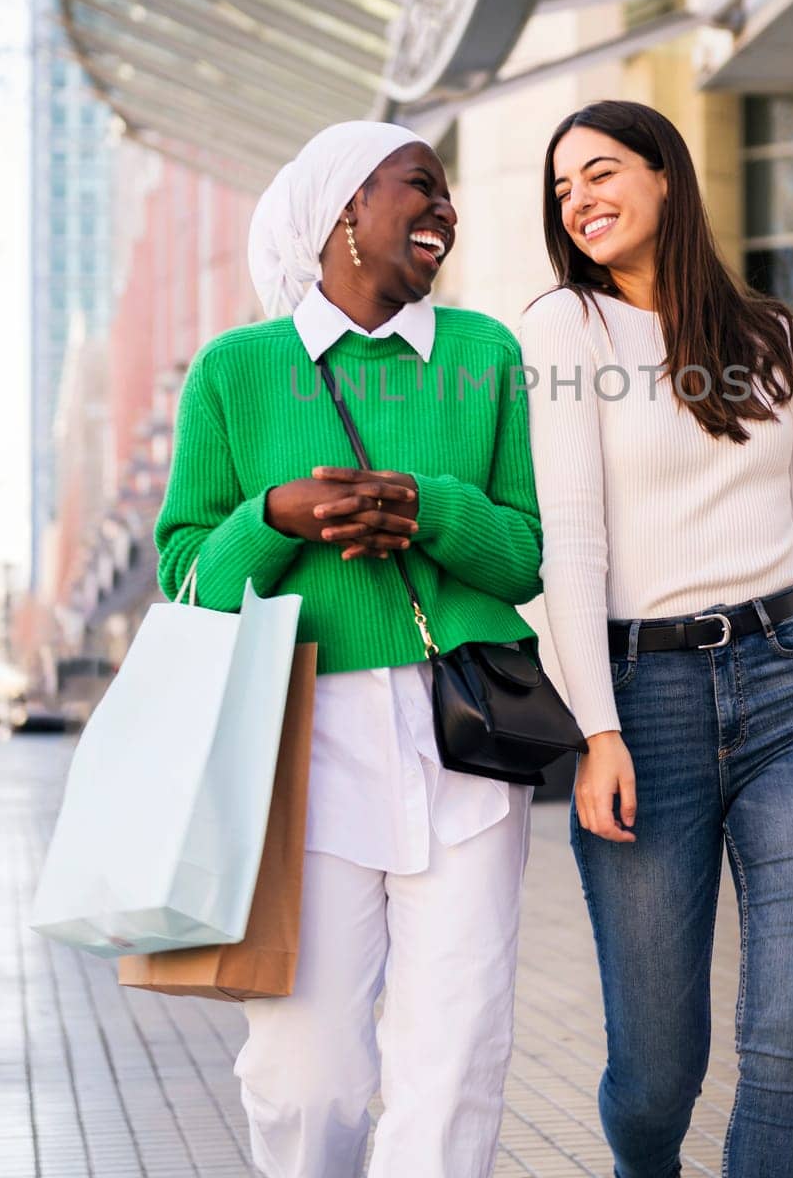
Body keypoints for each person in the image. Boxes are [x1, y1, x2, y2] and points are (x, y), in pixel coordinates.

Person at [519, 99, 793, 1178]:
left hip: (791, 701)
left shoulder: (780, 342)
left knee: (786, 1042)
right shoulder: (564, 328)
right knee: (655, 1072)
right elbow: (571, 545)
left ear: (665, 176)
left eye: (598, 171)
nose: (576, 198)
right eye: (560, 186)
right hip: (642, 702)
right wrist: (596, 731)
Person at [154, 121, 543, 1178]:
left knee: (454, 1056)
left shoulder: (484, 354)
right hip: (297, 746)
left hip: (464, 736)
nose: (443, 210)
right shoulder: (236, 371)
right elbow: (185, 576)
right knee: (304, 1070)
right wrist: (274, 515)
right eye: (419, 186)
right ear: (342, 210)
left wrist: (429, 510)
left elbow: (523, 556)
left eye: (447, 192)